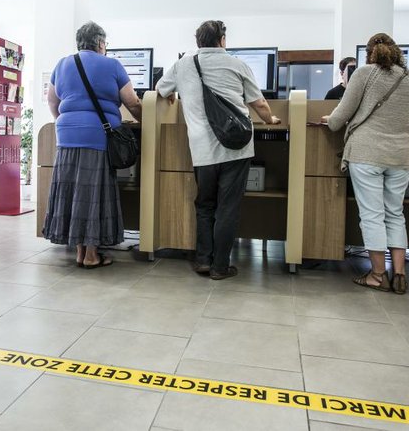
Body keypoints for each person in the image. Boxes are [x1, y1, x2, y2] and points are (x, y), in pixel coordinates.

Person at [156, 20, 281, 280]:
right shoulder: (237, 64)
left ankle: (203, 260)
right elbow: (260, 104)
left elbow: (160, 88)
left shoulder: (183, 65)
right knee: (227, 208)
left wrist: (172, 95)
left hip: (202, 150)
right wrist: (270, 120)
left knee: (204, 204)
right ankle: (220, 267)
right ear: (222, 40)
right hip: (236, 149)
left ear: (198, 41)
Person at [325, 33, 409, 294]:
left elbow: (339, 118)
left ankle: (377, 274)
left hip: (366, 153)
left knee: (372, 215)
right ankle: (399, 274)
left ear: (369, 54)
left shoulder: (364, 74)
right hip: (400, 156)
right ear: (397, 52)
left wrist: (329, 119)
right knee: (395, 214)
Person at [43, 21, 143, 268]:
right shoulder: (112, 65)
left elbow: (52, 102)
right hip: (97, 135)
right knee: (92, 193)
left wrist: (66, 123)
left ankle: (79, 251)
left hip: (66, 136)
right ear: (100, 43)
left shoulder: (63, 64)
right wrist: (147, 120)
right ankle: (90, 255)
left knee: (73, 192)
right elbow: (132, 102)